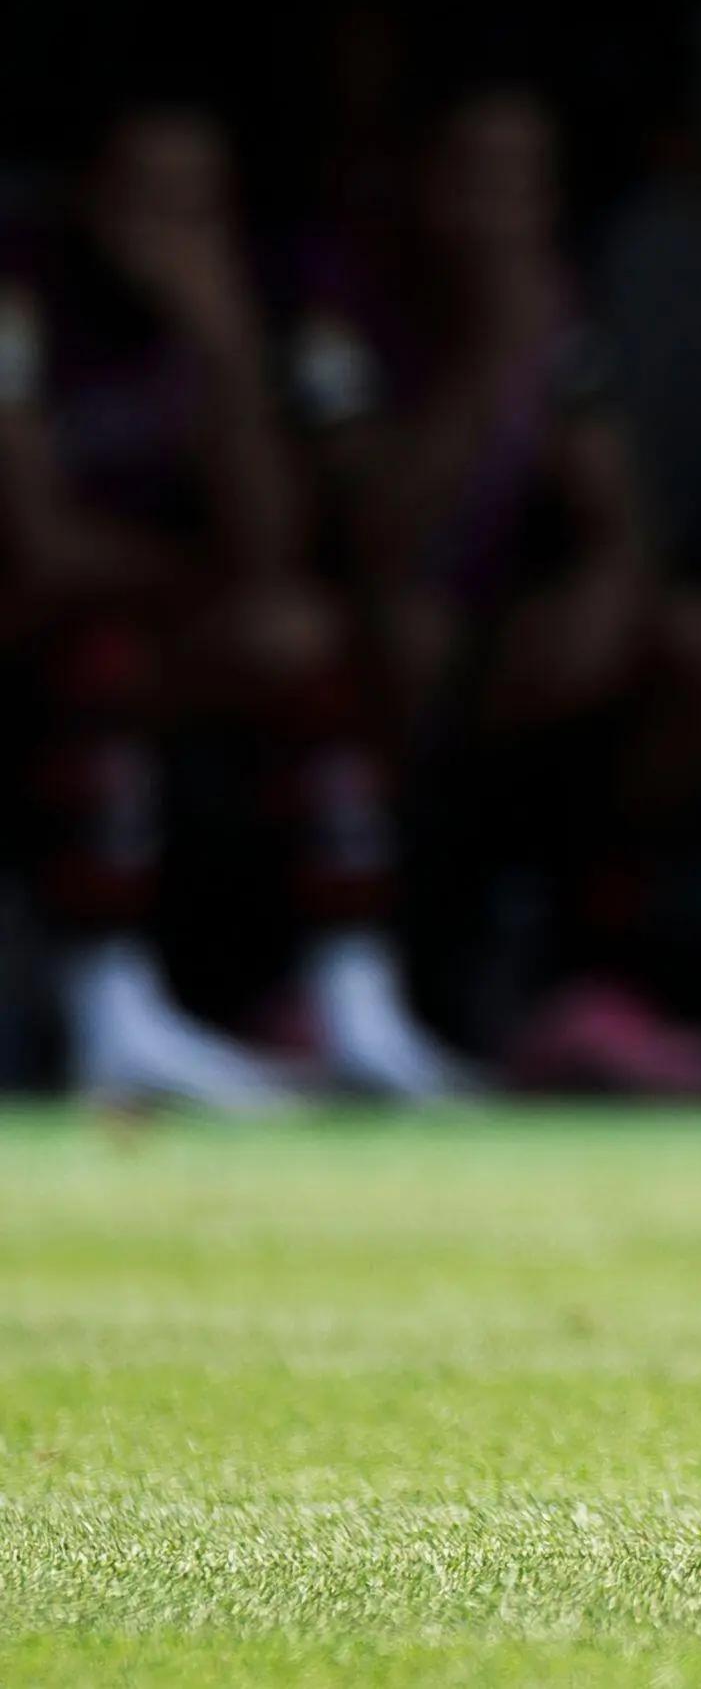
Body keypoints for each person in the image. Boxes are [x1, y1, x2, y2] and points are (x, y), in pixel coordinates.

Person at [0, 104, 468, 1106]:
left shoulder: (257, 307)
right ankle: (108, 1009)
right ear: (91, 198)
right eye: (149, 196)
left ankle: (352, 1001)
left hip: (164, 624)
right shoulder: (22, 298)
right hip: (38, 634)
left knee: (307, 640)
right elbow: (40, 549)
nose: (174, 227)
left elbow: (274, 547)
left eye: (198, 202)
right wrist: (203, 583)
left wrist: (220, 342)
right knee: (101, 649)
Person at [287, 87, 701, 1094]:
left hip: (505, 648)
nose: (500, 214)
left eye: (524, 185)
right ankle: (352, 984)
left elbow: (620, 515)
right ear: (420, 183)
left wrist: (609, 587)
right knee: (400, 636)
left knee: (691, 640)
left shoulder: (556, 309)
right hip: (371, 638)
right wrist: (492, 358)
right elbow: (378, 537)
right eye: (475, 179)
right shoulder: (340, 308)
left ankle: (595, 981)